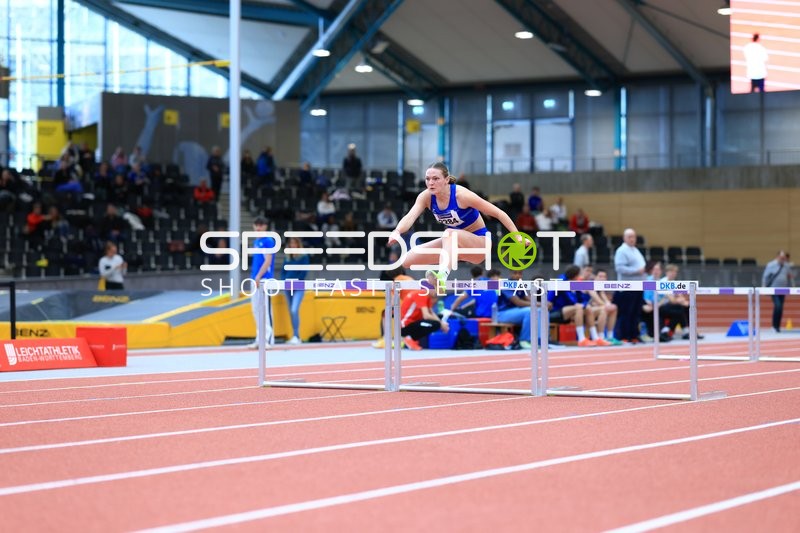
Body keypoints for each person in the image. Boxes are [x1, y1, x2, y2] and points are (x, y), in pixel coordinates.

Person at [387, 162, 524, 291]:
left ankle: (442, 275)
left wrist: (517, 236)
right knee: (407, 260)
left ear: (446, 180)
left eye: (436, 179)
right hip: (454, 245)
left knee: (450, 233)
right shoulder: (426, 197)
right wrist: (397, 231)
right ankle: (443, 268)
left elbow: (499, 213)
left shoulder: (462, 195)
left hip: (479, 245)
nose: (431, 183)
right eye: (428, 179)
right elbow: (410, 216)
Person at [548, 264, 610, 347]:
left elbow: (580, 299)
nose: (581, 275)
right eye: (580, 273)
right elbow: (550, 299)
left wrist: (585, 304)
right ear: (575, 275)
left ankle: (596, 338)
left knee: (588, 308)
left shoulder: (576, 283)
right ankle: (581, 339)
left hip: (572, 310)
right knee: (579, 307)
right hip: (556, 311)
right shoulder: (561, 282)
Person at [400, 272, 450, 350]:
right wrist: (441, 324)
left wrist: (442, 323)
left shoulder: (427, 297)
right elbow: (426, 315)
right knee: (436, 324)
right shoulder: (421, 294)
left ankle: (411, 339)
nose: (437, 292)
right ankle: (408, 337)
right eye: (436, 288)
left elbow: (431, 313)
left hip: (414, 323)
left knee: (438, 318)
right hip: (405, 326)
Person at [248, 216, 276, 349]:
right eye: (256, 225)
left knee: (265, 309)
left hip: (264, 279)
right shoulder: (257, 241)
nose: (258, 228)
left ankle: (268, 339)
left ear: (266, 226)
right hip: (256, 278)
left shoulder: (268, 241)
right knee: (256, 310)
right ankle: (260, 338)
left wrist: (259, 275)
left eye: (261, 225)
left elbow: (268, 260)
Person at [613, 228, 646, 343]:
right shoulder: (621, 251)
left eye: (634, 237)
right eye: (630, 237)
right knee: (626, 312)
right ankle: (624, 335)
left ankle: (634, 335)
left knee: (636, 312)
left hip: (638, 286)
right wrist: (637, 271)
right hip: (627, 287)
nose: (632, 239)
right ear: (624, 238)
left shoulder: (635, 250)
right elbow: (619, 268)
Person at [496, 269, 533, 349]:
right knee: (530, 311)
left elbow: (528, 298)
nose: (517, 275)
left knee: (541, 311)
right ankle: (524, 340)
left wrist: (543, 304)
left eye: (520, 273)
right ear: (510, 274)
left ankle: (540, 339)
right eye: (515, 273)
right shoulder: (505, 285)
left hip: (517, 312)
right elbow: (518, 302)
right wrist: (539, 304)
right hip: (503, 313)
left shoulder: (520, 284)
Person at [282, 237, 309, 345]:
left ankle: (297, 336)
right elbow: (283, 271)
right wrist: (283, 281)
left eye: (294, 243)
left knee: (294, 309)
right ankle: (294, 335)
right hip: (288, 286)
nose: (293, 245)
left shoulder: (303, 256)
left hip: (298, 286)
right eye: (291, 243)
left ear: (298, 244)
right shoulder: (287, 257)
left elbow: (303, 272)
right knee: (291, 311)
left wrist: (296, 281)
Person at [762, 250, 794, 333]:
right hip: (774, 289)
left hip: (783, 289)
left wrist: (792, 287)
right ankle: (774, 326)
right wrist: (764, 287)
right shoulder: (771, 265)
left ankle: (777, 326)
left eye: (784, 258)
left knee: (781, 308)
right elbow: (765, 276)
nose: (783, 260)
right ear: (777, 257)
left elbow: (790, 276)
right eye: (781, 258)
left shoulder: (786, 265)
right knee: (778, 306)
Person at [589, 268, 621, 345]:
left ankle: (610, 336)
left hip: (595, 308)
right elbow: (597, 300)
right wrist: (606, 305)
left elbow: (605, 299)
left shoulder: (601, 288)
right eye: (600, 276)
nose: (602, 279)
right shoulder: (589, 285)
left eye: (604, 277)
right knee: (604, 309)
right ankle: (601, 337)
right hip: (587, 310)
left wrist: (610, 305)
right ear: (595, 277)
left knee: (614, 308)